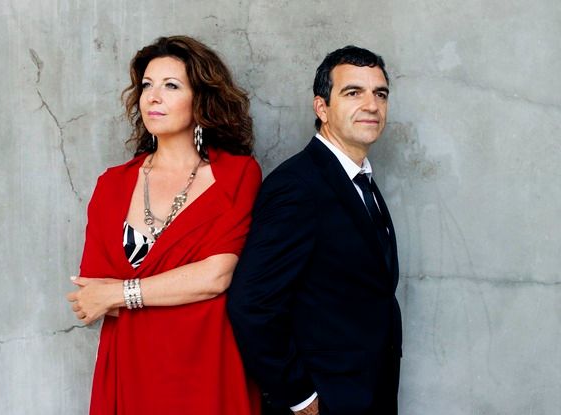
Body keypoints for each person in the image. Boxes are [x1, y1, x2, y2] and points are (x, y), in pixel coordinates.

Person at [66, 35, 261, 415]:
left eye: (171, 86)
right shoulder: (112, 184)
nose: (153, 98)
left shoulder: (237, 175)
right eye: (147, 86)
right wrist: (179, 291)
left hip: (208, 366)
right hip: (131, 368)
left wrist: (120, 293)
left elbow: (215, 277)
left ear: (201, 98)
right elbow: (93, 296)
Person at [227, 45, 402, 415]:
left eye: (380, 93)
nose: (371, 105)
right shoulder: (297, 186)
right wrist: (300, 396)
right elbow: (251, 304)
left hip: (367, 391)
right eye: (353, 92)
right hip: (326, 398)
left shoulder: (359, 179)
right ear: (322, 108)